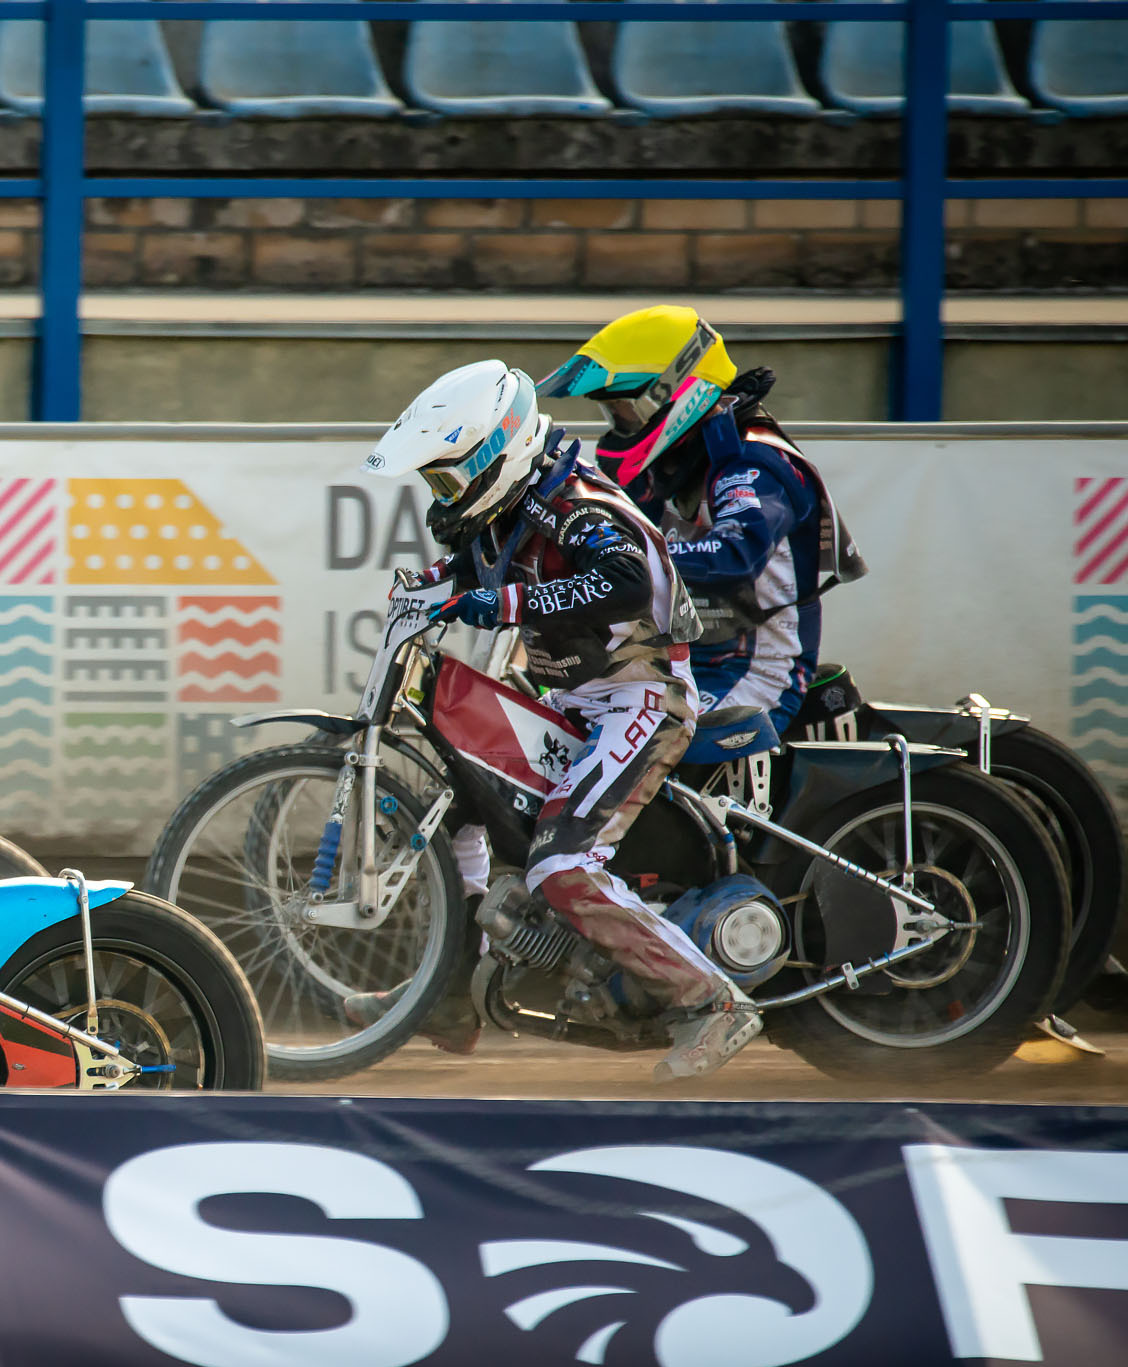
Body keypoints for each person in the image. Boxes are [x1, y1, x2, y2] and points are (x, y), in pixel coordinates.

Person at [362, 359, 762, 1083]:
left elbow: (625, 579)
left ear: (497, 454)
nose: (445, 497)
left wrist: (505, 606)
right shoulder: (506, 511)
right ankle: (448, 995)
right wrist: (426, 588)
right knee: (460, 803)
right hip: (570, 698)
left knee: (561, 864)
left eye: (451, 478)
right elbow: (471, 573)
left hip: (640, 698)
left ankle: (714, 999)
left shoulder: (576, 502)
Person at [540, 306, 863, 735]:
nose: (619, 427)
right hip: (680, 661)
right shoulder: (668, 466)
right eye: (612, 413)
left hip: (757, 671)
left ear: (674, 391)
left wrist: (629, 560)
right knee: (548, 728)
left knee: (643, 743)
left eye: (625, 410)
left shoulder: (752, 461)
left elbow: (735, 554)